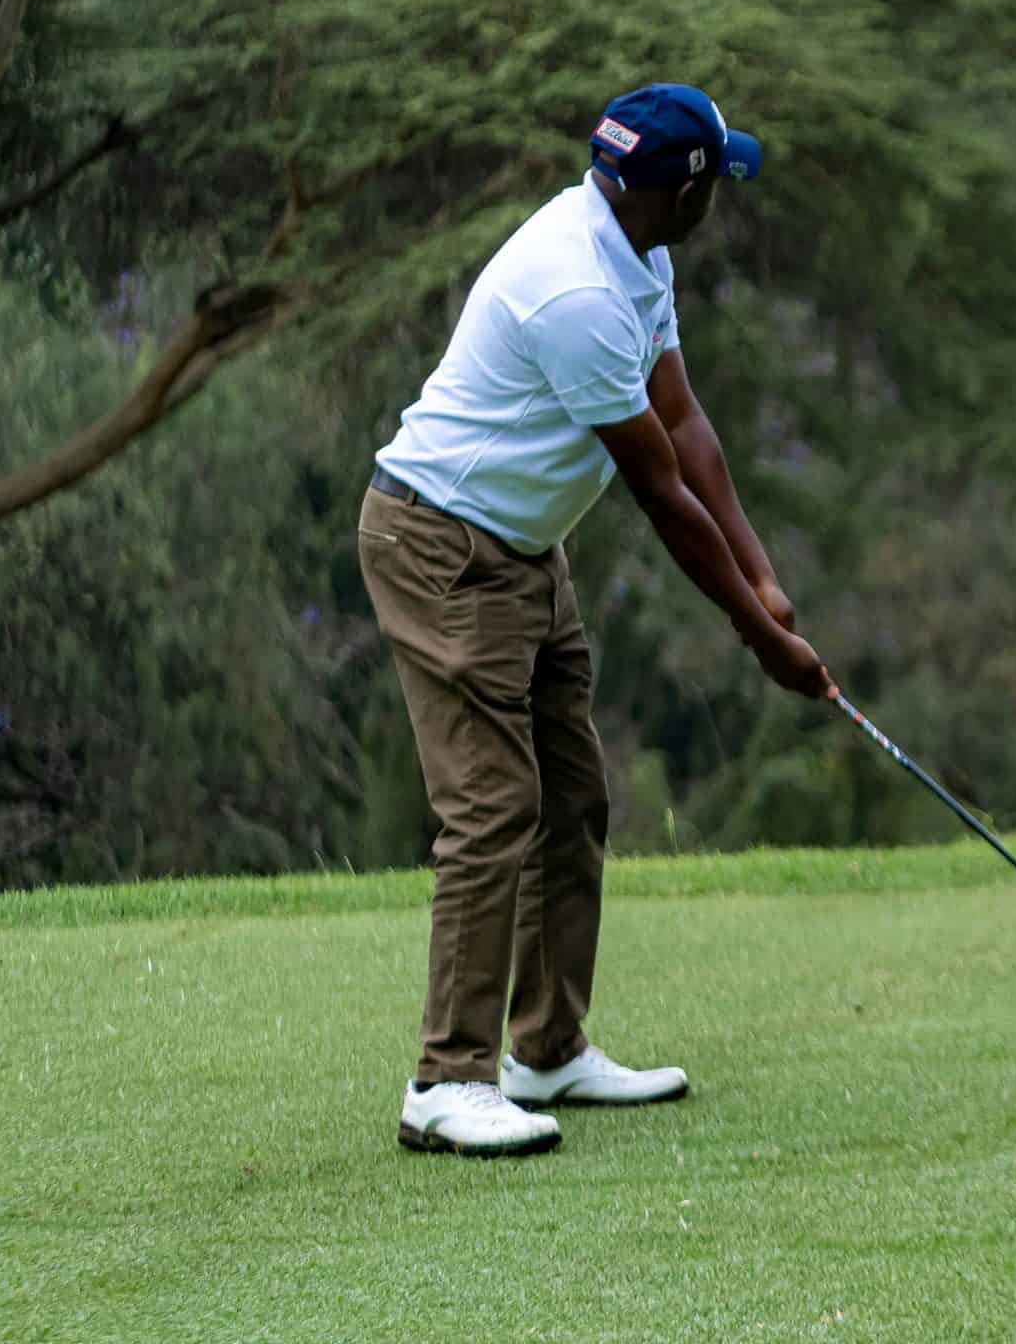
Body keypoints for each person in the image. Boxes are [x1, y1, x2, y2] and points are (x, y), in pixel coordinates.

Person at [358, 84, 838, 1158]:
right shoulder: (572, 288)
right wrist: (760, 641)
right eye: (722, 178)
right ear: (685, 191)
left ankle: (546, 1050)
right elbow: (661, 490)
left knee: (571, 797)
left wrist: (766, 584)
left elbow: (685, 421)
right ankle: (445, 1081)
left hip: (524, 545)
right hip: (439, 543)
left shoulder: (637, 252)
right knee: (493, 804)